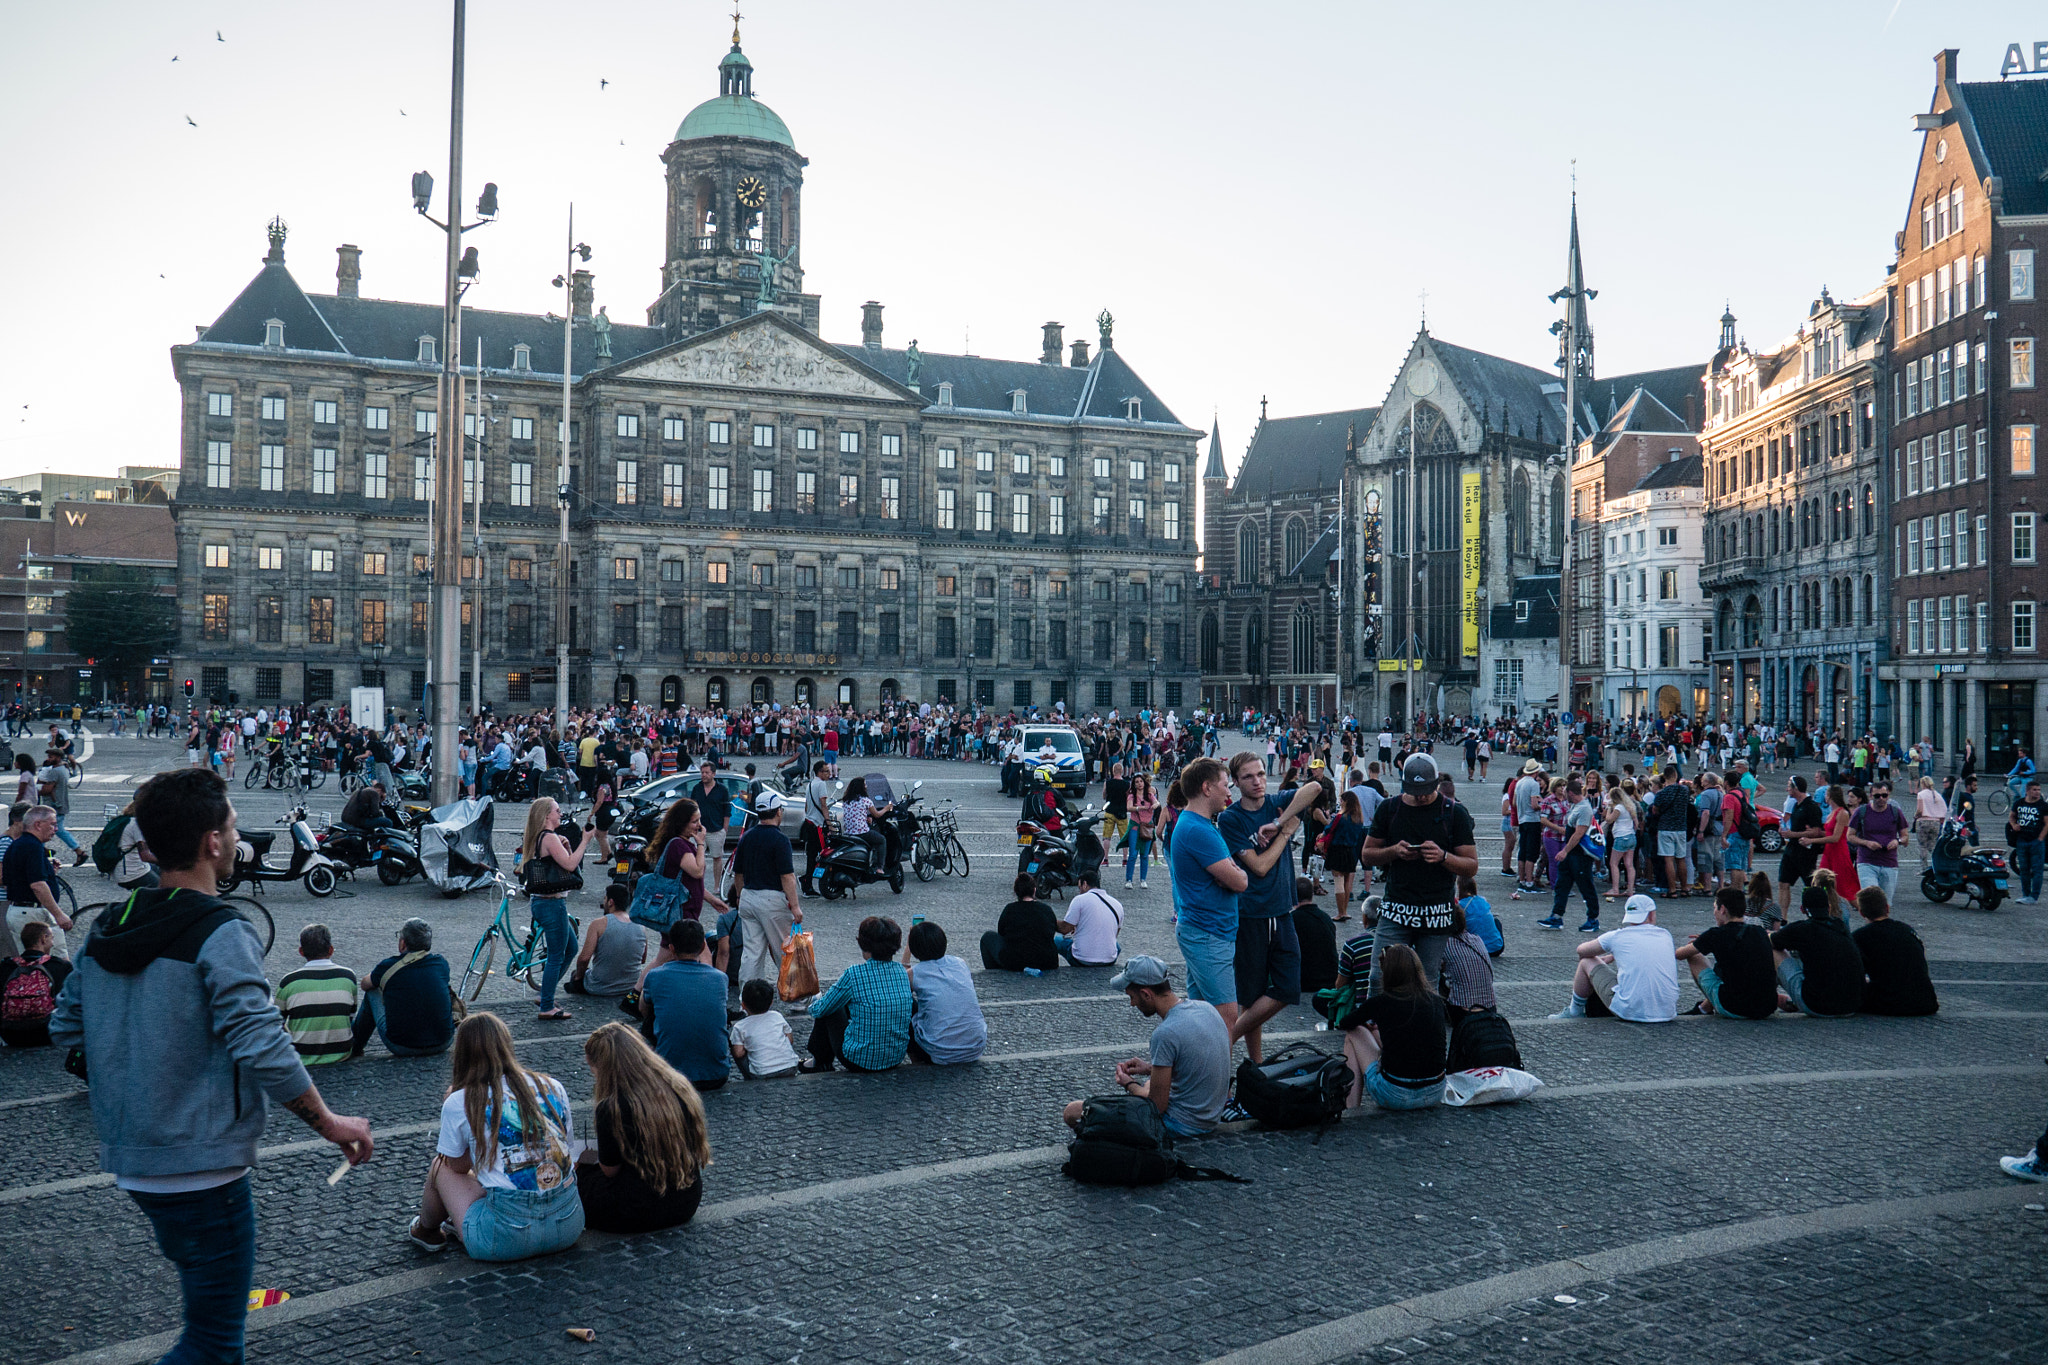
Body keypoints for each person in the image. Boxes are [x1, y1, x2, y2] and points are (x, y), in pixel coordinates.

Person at [49, 767, 372, 1361]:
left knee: (208, 1330)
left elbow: (65, 1025)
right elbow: (260, 1042)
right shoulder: (223, 931)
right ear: (213, 843)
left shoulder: (106, 928)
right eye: (231, 823)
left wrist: (139, 1054)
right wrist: (330, 1123)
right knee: (215, 1342)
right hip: (202, 1164)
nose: (236, 833)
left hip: (134, 1159)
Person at [408, 1011, 582, 1260]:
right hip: (568, 1224)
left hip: (504, 1237)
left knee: (440, 1166)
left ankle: (427, 1230)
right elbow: (568, 1149)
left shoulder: (461, 1101)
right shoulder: (552, 1085)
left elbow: (457, 1166)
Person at [1218, 755, 1322, 1062]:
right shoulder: (1231, 819)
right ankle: (1256, 1061)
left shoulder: (1274, 802)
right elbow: (1260, 867)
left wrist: (1277, 821)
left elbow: (1314, 787)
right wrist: (1287, 833)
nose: (1257, 781)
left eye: (1261, 774)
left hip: (1280, 910)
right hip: (1253, 913)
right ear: (1235, 782)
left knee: (1289, 984)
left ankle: (1229, 1036)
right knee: (1250, 997)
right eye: (1248, 777)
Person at [1059, 956, 1229, 1138]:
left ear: (1147, 994)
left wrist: (1129, 1084)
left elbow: (1156, 1106)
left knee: (1073, 1111)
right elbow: (1195, 1063)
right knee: (1150, 1084)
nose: (1132, 1004)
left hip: (1182, 1124)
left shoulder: (1165, 1033)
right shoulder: (1206, 1008)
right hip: (1211, 1117)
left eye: (1132, 997)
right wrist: (1150, 1068)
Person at [1356, 753, 1479, 995]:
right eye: (1415, 790)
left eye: (1425, 790)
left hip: (1437, 910)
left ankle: (1424, 1030)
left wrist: (1443, 857)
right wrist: (1393, 851)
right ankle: (1375, 1029)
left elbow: (1471, 866)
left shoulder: (1454, 813)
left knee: (1428, 982)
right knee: (1379, 977)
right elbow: (1367, 855)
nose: (1421, 796)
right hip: (1397, 906)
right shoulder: (1389, 808)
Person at [576, 1020, 711, 1233]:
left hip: (637, 1210)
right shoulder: (678, 1086)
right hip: (685, 1199)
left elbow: (610, 1171)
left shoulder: (613, 1107)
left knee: (580, 1177)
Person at [1340, 942, 1447, 1110]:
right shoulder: (1435, 1001)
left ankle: (1351, 1106)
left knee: (1354, 1032)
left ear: (1387, 972)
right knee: (1382, 1034)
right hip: (1435, 1091)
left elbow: (1345, 1023)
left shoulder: (1381, 1003)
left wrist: (1368, 1027)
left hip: (1396, 1095)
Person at [801, 916, 912, 1073]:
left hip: (859, 1060)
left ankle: (820, 1061)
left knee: (831, 1008)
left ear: (864, 945)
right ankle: (819, 1061)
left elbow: (821, 1010)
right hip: (895, 1057)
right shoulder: (901, 972)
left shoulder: (854, 974)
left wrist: (814, 1003)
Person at [520, 797, 594, 1021]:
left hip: (544, 902)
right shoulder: (549, 837)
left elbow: (563, 861)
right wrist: (585, 840)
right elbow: (571, 865)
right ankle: (547, 1005)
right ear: (546, 816)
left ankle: (546, 994)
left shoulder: (541, 837)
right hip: (552, 904)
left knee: (570, 948)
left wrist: (568, 847)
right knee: (556, 955)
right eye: (557, 811)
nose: (560, 814)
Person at [1550, 893, 1678, 1022]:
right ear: (1651, 914)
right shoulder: (1665, 935)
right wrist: (1614, 955)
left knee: (1586, 961)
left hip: (1630, 1011)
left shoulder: (1617, 936)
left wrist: (1606, 956)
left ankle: (1575, 1011)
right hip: (1668, 1011)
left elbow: (1582, 950)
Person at [638, 919, 731, 1091]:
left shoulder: (655, 975)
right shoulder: (720, 978)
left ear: (671, 948)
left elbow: (643, 1008)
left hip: (670, 1077)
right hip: (716, 1076)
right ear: (703, 948)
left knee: (652, 1011)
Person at [349, 917, 458, 1057]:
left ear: (402, 944)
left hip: (402, 1046)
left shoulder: (388, 966)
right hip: (443, 1041)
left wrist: (381, 977)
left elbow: (365, 984)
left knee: (372, 993)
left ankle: (356, 1046)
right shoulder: (441, 963)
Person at [729, 790, 801, 984]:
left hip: (748, 897)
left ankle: (748, 998)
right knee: (784, 951)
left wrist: (738, 897)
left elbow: (739, 874)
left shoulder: (747, 837)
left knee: (752, 954)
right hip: (772, 900)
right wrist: (795, 906)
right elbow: (787, 877)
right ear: (778, 812)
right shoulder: (780, 840)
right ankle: (799, 998)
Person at [1674, 888, 1777, 1020]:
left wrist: (1701, 942)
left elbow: (1680, 954)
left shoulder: (1716, 934)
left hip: (1734, 1007)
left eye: (1715, 908)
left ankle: (1706, 1008)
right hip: (1766, 1008)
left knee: (1694, 955)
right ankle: (1705, 1007)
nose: (1714, 913)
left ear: (1722, 909)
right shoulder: (1760, 931)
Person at [1771, 884, 1864, 1018]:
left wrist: (1768, 933)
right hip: (1852, 1005)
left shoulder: (1801, 929)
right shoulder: (1841, 927)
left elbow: (1772, 941)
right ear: (1829, 907)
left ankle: (1765, 996)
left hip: (1818, 1006)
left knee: (1776, 952)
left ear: (1802, 909)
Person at [902, 920, 987, 1064]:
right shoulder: (960, 963)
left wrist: (907, 950)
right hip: (975, 1047)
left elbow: (899, 988)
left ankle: (917, 1060)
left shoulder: (916, 973)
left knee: (905, 1004)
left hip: (940, 1050)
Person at [277, 923, 361, 1063]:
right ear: (331, 950)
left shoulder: (289, 981)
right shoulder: (348, 976)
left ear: (301, 952)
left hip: (300, 1055)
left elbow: (277, 1023)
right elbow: (351, 1014)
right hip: (341, 1052)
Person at [1851, 886, 1938, 1016]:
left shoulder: (1860, 937)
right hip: (1926, 1000)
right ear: (1887, 908)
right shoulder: (1907, 930)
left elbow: (1854, 973)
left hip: (1891, 1003)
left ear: (1862, 913)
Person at [3, 805, 72, 960]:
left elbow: (14, 880)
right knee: (57, 963)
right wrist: (59, 914)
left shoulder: (17, 844)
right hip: (33, 913)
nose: (55, 829)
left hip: (19, 911)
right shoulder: (32, 846)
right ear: (38, 825)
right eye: (52, 824)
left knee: (30, 963)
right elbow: (37, 885)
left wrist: (48, 872)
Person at [1535, 776, 1602, 934]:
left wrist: (1565, 850)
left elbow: (1578, 834)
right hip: (1571, 854)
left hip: (1580, 855)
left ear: (1571, 793)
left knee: (1586, 886)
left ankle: (1593, 919)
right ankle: (1556, 916)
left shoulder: (1584, 809)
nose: (1563, 796)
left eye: (1565, 793)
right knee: (1561, 884)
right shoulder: (1576, 806)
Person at [566, 882, 647, 999]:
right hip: (630, 986)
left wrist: (578, 977)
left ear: (610, 902)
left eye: (605, 899)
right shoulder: (640, 925)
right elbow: (642, 959)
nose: (603, 903)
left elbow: (584, 959)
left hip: (599, 987)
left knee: (575, 975)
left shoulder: (598, 924)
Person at [0, 919, 70, 1047]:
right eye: (51, 939)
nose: (53, 944)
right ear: (43, 939)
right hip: (48, 1033)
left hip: (10, 1035)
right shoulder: (59, 966)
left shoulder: (6, 966)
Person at [1847, 782, 1909, 904]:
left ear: (1888, 795)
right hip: (1867, 862)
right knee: (1871, 900)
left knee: (1885, 903)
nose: (1881, 798)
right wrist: (1866, 843)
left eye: (1884, 795)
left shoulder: (1895, 812)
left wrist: (1898, 841)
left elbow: (1905, 837)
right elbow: (1849, 836)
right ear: (1870, 796)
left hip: (1889, 862)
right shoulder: (1861, 812)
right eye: (1877, 796)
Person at [983, 873, 1060, 972]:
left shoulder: (1010, 909)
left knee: (987, 937)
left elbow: (1001, 932)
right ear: (1034, 890)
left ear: (1016, 892)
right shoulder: (1046, 909)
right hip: (1047, 961)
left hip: (1016, 962)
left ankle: (995, 972)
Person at [1438, 903, 1495, 1029]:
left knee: (1436, 975)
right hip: (1490, 1005)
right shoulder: (1477, 939)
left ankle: (1436, 1015)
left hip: (1462, 1008)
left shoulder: (1444, 944)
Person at [728, 978, 800, 1079]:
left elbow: (739, 1053)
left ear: (743, 1005)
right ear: (771, 1003)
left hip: (762, 1072)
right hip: (791, 1067)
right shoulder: (777, 1016)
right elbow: (790, 1040)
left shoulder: (740, 1026)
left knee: (735, 1045)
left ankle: (749, 1076)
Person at [1776, 777, 1827, 918]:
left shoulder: (1811, 807)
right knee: (1783, 883)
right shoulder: (1796, 805)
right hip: (1791, 850)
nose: (1787, 790)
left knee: (1811, 886)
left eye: (1789, 787)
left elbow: (1816, 831)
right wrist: (1786, 831)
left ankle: (1817, 915)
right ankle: (1783, 918)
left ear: (1796, 788)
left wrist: (1793, 834)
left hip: (1805, 852)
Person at [1055, 867, 1122, 968]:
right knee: (1116, 946)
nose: (1079, 891)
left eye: (1079, 887)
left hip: (1081, 959)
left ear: (1085, 884)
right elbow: (1114, 934)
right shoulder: (1117, 904)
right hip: (1110, 959)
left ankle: (1051, 966)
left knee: (1057, 940)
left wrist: (1050, 919)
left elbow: (1064, 929)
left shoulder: (1080, 900)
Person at [36, 748, 85, 865]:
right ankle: (43, 852)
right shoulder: (64, 769)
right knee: (51, 829)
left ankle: (79, 851)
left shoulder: (54, 771)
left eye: (51, 757)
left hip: (53, 806)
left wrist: (38, 787)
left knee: (46, 830)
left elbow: (47, 789)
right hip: (60, 804)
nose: (48, 759)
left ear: (58, 758)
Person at [1324, 789, 1368, 922]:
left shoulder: (1340, 817)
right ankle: (1345, 910)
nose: (1340, 802)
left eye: (1341, 800)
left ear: (1346, 802)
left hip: (1337, 850)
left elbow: (1329, 829)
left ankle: (1340, 912)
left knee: (1338, 881)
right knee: (1347, 882)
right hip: (1351, 851)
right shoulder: (1359, 819)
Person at [2005, 777, 2046, 904]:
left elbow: (2047, 823)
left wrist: (2040, 838)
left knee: (2037, 869)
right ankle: (2025, 894)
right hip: (2021, 840)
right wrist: (2013, 825)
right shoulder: (2019, 803)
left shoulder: (2043, 805)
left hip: (2036, 841)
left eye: (2039, 790)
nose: (2037, 792)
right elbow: (2011, 816)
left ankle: (2034, 896)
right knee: (2024, 869)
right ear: (2027, 791)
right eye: (2034, 790)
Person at [691, 760, 733, 887]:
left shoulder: (722, 790)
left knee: (717, 857)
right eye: (702, 772)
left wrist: (724, 829)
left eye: (707, 773)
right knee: (697, 859)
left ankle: (716, 885)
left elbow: (727, 810)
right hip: (699, 830)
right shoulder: (697, 788)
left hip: (716, 829)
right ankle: (698, 886)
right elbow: (691, 807)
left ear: (713, 774)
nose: (704, 775)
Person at [800, 759, 835, 895]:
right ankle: (807, 880)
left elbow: (807, 806)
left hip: (809, 823)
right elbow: (823, 805)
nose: (829, 774)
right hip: (817, 825)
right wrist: (829, 823)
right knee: (824, 854)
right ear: (819, 772)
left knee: (812, 856)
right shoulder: (821, 785)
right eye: (827, 771)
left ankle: (807, 882)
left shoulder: (810, 784)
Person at [1512, 759, 1547, 892]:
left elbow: (1514, 803)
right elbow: (1534, 805)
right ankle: (1529, 882)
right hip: (1532, 820)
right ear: (1536, 772)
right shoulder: (1533, 784)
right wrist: (1543, 805)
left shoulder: (1519, 783)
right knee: (1531, 853)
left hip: (1521, 819)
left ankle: (1522, 880)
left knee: (1523, 852)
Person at [1125, 773, 1160, 887]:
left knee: (1144, 854)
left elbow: (1157, 802)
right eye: (1137, 782)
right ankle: (1129, 880)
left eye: (1141, 781)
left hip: (1147, 827)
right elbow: (1129, 807)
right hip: (1135, 826)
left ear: (1144, 783)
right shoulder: (1132, 796)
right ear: (1134, 784)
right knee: (1133, 854)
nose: (1139, 784)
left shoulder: (1149, 795)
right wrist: (1140, 808)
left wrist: (1155, 805)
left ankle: (1143, 879)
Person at [1457, 875, 1503, 957]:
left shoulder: (1461, 905)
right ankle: (1494, 940)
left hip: (1477, 950)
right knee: (1496, 921)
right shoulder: (1482, 900)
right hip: (1498, 948)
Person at [1913, 775, 1948, 863]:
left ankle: (1924, 867)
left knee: (1923, 846)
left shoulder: (1921, 794)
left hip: (1923, 822)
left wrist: (1916, 815)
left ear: (1923, 784)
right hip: (1935, 823)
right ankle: (1936, 864)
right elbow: (1944, 810)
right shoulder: (1937, 795)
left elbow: (1920, 810)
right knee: (1933, 846)